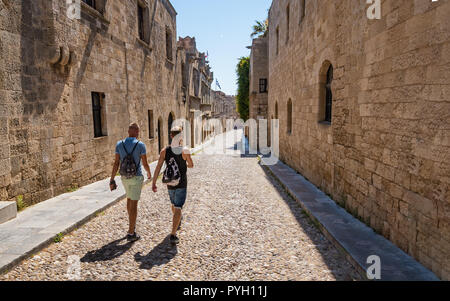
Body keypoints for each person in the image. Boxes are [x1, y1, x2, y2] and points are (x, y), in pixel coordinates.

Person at [110, 123, 151, 242]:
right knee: (134, 204)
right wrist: (149, 173)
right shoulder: (140, 145)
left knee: (129, 199)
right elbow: (145, 162)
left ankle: (131, 224)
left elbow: (116, 163)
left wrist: (112, 178)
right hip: (136, 176)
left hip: (124, 177)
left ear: (128, 131)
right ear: (137, 131)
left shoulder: (119, 144)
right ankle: (131, 232)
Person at [152, 126, 194, 244]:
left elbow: (158, 166)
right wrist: (185, 163)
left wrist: (154, 182)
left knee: (174, 204)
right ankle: (173, 234)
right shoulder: (184, 150)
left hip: (170, 183)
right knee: (178, 206)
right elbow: (191, 165)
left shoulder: (164, 150)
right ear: (180, 136)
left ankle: (176, 218)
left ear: (171, 136)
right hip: (181, 183)